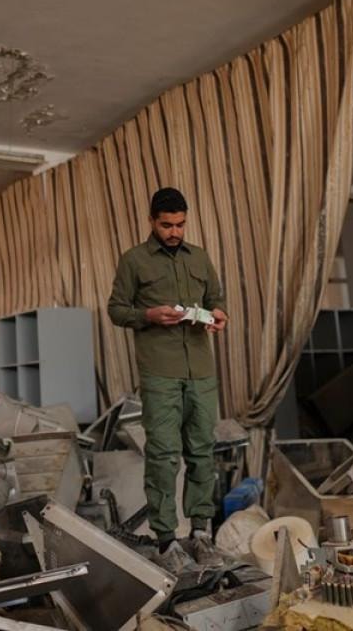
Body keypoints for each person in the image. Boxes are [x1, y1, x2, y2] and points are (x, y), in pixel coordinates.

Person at [107, 187, 228, 571]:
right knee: (163, 456)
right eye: (166, 225)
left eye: (180, 224)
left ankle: (201, 534)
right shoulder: (134, 260)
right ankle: (165, 541)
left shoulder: (200, 257)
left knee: (203, 452)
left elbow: (216, 298)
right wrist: (147, 316)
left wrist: (218, 315)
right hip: (160, 372)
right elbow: (116, 309)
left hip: (201, 371)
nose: (174, 232)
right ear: (151, 221)